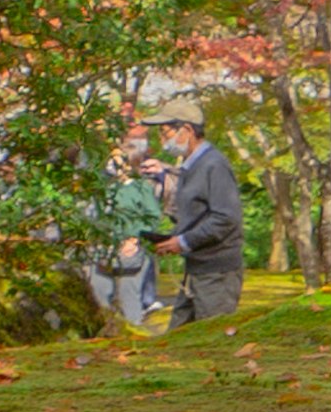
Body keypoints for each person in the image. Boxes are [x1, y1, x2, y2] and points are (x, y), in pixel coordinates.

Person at [163, 102, 248, 325]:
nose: (163, 141)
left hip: (217, 273)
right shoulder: (190, 166)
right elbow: (197, 215)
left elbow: (226, 218)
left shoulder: (213, 165)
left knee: (213, 346)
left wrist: (183, 241)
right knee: (176, 342)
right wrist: (171, 238)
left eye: (165, 133)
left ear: (188, 130)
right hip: (196, 270)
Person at [91, 123, 171, 331]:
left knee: (130, 297)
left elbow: (153, 217)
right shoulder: (103, 189)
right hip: (104, 247)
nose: (112, 165)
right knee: (100, 292)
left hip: (133, 249)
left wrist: (134, 238)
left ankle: (134, 339)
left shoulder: (140, 187)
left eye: (117, 161)